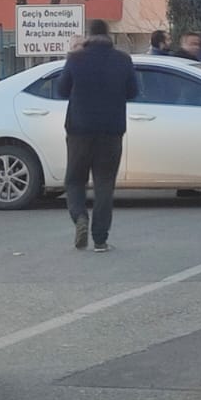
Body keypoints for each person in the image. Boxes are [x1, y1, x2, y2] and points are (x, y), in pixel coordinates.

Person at [57, 18, 137, 253]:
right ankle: (100, 239)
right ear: (109, 35)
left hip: (79, 130)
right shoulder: (123, 60)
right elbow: (133, 91)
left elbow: (62, 90)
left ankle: (80, 217)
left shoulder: (76, 59)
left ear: (88, 35)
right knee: (104, 184)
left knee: (74, 180)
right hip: (112, 131)